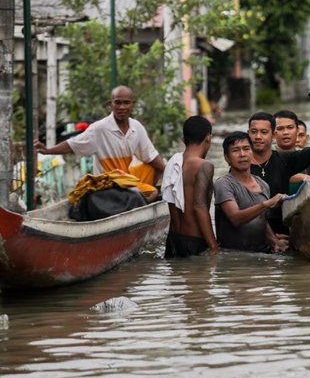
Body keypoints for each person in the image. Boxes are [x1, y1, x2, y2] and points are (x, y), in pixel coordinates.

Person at [34, 85, 165, 202]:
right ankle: (137, 205)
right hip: (109, 182)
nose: (122, 107)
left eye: (126, 103)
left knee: (153, 168)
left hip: (126, 179)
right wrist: (48, 150)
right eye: (118, 103)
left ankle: (138, 202)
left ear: (132, 104)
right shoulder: (99, 128)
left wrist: (167, 170)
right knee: (152, 193)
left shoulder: (136, 127)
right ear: (111, 104)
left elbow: (151, 156)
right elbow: (72, 144)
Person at [248, 100, 310, 234]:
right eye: (254, 132)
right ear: (248, 134)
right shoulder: (241, 163)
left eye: (263, 132)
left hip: (282, 231)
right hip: (252, 231)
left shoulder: (285, 160)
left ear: (272, 135)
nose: (258, 137)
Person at [214, 132, 288, 253]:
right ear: (227, 157)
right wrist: (266, 204)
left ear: (252, 153)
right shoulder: (223, 184)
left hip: (260, 253)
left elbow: (261, 220)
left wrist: (274, 241)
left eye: (246, 149)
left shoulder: (263, 185)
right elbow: (235, 218)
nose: (242, 154)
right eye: (236, 150)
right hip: (233, 257)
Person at [161, 116, 218, 258]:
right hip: (194, 242)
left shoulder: (173, 162)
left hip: (173, 240)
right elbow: (200, 207)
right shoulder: (204, 165)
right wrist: (213, 246)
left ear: (183, 139)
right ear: (208, 138)